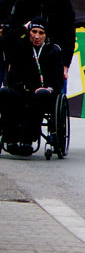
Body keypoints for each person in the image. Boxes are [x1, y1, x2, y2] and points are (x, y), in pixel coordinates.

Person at [0, 19, 65, 154]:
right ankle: (10, 138)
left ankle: (27, 140)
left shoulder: (54, 50)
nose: (36, 36)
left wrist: (49, 89)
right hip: (20, 90)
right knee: (4, 92)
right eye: (34, 31)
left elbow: (58, 78)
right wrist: (22, 29)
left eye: (41, 33)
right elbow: (4, 43)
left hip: (42, 92)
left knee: (39, 96)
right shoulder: (20, 46)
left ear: (46, 35)